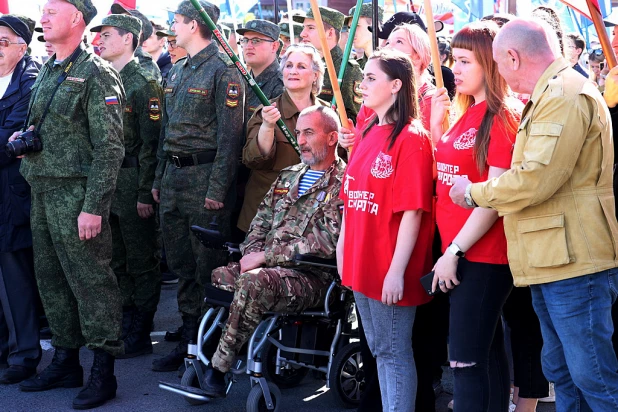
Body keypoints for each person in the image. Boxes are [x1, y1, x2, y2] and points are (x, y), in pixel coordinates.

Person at [451, 18, 618, 411]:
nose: (502, 78)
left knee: (593, 380)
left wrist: (473, 193)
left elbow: (534, 180)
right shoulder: (553, 93)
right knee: (563, 373)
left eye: (499, 65)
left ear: (512, 56)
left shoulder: (562, 95)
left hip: (574, 263)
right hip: (557, 259)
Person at [15, 0, 125, 409]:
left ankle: (104, 369)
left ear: (77, 19)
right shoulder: (48, 67)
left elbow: (110, 147)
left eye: (51, 12)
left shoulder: (96, 73)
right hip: (42, 190)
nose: (42, 17)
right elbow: (41, 123)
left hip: (76, 195)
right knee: (52, 281)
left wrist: (94, 206)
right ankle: (65, 359)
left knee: (92, 283)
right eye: (42, 12)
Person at [199, 105, 345, 397]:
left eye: (308, 133)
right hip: (269, 272)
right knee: (222, 275)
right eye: (298, 133)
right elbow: (259, 222)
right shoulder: (289, 175)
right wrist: (251, 254)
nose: (300, 140)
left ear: (332, 138)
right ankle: (215, 352)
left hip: (313, 277)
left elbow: (326, 243)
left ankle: (219, 367)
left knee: (254, 282)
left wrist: (264, 258)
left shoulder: (344, 182)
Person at [430, 21, 521, 412]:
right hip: (463, 251)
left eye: (465, 61)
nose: (457, 69)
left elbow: (494, 198)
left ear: (490, 63)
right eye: (455, 60)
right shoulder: (466, 111)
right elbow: (447, 178)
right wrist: (436, 127)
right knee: (487, 358)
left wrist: (454, 250)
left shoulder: (500, 117)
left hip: (482, 256)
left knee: (464, 361)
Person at [337, 49, 434, 412]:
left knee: (394, 353)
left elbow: (412, 212)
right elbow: (351, 198)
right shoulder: (367, 130)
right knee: (378, 350)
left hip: (390, 266)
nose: (362, 85)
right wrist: (343, 250)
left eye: (370, 78)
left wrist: (397, 272)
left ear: (396, 85)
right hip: (362, 263)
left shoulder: (412, 138)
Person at [150, 0, 244, 373]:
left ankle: (209, 349)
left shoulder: (225, 71)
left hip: (205, 180)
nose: (173, 27)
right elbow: (166, 132)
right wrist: (158, 179)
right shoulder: (178, 69)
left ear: (193, 25)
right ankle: (190, 340)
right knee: (182, 265)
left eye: (177, 21)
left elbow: (230, 139)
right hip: (173, 179)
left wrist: (217, 190)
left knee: (207, 267)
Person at [91, 14, 163, 360]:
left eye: (107, 35)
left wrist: (144, 191)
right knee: (115, 258)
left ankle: (141, 326)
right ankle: (125, 316)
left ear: (128, 39)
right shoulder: (104, 78)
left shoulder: (143, 81)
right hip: (108, 182)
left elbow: (152, 144)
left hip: (133, 178)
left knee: (141, 259)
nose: (99, 41)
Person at [238, 43, 328, 233]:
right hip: (266, 217)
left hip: (312, 219)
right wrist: (268, 126)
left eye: (301, 66)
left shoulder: (328, 114)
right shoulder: (267, 110)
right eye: (288, 65)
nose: (293, 71)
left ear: (315, 76)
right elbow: (252, 159)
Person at [0, 15, 41, 386]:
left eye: (1, 41)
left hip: (13, 192)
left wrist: (7, 142)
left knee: (15, 275)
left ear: (21, 47)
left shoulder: (29, 81)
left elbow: (8, 144)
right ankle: (5, 347)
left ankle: (25, 353)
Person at [296, 7, 363, 122]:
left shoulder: (347, 70)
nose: (302, 34)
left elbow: (355, 120)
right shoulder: (301, 64)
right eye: (303, 28)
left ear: (330, 33)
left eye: (310, 28)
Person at [236, 19, 284, 122]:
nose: (248, 46)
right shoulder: (240, 79)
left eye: (256, 41)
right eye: (245, 40)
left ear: (274, 46)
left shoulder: (281, 85)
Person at [110, 3, 162, 83]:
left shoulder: (145, 66)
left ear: (138, 32)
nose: (116, 28)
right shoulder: (114, 61)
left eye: (124, 23)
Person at [348, 3, 383, 69]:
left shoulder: (392, 63)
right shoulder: (357, 67)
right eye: (350, 27)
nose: (351, 32)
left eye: (357, 26)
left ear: (374, 25)